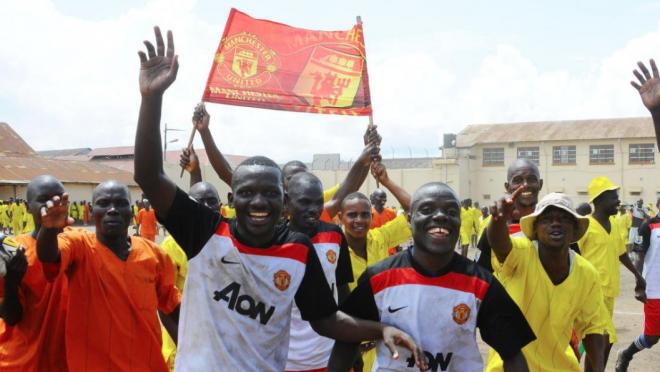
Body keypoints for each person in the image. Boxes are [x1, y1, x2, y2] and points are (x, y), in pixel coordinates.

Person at [133, 26, 424, 371]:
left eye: (270, 193)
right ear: (232, 198)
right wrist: (152, 99)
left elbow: (326, 319)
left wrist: (382, 329)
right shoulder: (206, 233)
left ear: (284, 200)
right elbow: (149, 177)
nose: (259, 202)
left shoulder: (299, 250)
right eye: (248, 193)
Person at [329, 182, 535, 372]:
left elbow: (513, 354)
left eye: (450, 211)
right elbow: (347, 339)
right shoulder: (379, 278)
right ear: (409, 220)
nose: (440, 216)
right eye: (427, 210)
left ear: (459, 220)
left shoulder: (479, 283)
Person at [36, 180, 181, 372]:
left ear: (131, 211)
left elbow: (173, 309)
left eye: (120, 203)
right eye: (103, 203)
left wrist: (194, 351)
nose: (112, 209)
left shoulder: (155, 254)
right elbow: (48, 256)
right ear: (92, 210)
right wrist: (49, 230)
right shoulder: (78, 245)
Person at [189, 102, 381, 222]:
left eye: (304, 176)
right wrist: (204, 132)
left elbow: (347, 190)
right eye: (293, 177)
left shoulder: (310, 212)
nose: (301, 182)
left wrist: (365, 156)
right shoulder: (262, 204)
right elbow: (228, 174)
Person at [486, 190, 609, 371]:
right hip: (508, 367)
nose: (556, 223)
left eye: (564, 219)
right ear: (535, 228)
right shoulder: (520, 254)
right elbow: (500, 244)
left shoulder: (587, 273)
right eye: (547, 219)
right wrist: (498, 220)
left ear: (575, 229)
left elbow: (593, 329)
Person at [338, 161, 415, 371]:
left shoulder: (379, 237)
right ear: (340, 217)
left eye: (365, 214)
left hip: (383, 346)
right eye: (352, 215)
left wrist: (386, 181)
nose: (359, 220)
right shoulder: (332, 249)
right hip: (347, 349)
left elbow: (414, 209)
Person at [285, 172, 354, 372]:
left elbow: (342, 290)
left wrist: (351, 343)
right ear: (287, 202)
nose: (313, 210)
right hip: (285, 360)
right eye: (305, 202)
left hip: (329, 356)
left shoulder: (334, 234)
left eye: (318, 203)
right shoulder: (275, 240)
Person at [0, 176, 69, 371]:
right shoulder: (12, 251)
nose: (52, 204)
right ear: (28, 207)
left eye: (58, 198)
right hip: (21, 362)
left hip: (65, 362)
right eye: (44, 199)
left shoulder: (81, 246)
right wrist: (11, 282)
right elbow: (11, 317)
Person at [578, 176, 646, 371]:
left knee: (597, 341)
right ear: (599, 200)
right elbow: (572, 256)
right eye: (613, 197)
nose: (618, 201)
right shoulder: (585, 227)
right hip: (590, 293)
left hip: (608, 294)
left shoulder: (614, 224)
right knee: (603, 338)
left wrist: (637, 275)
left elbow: (621, 254)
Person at [615, 197, 660, 371]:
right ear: (657, 206)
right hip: (655, 291)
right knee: (652, 338)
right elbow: (639, 257)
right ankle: (626, 354)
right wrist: (639, 284)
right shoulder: (648, 226)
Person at [477, 159, 543, 272]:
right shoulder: (494, 226)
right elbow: (479, 274)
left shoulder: (554, 223)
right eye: (518, 180)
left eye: (531, 179)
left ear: (540, 184)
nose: (525, 185)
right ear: (507, 187)